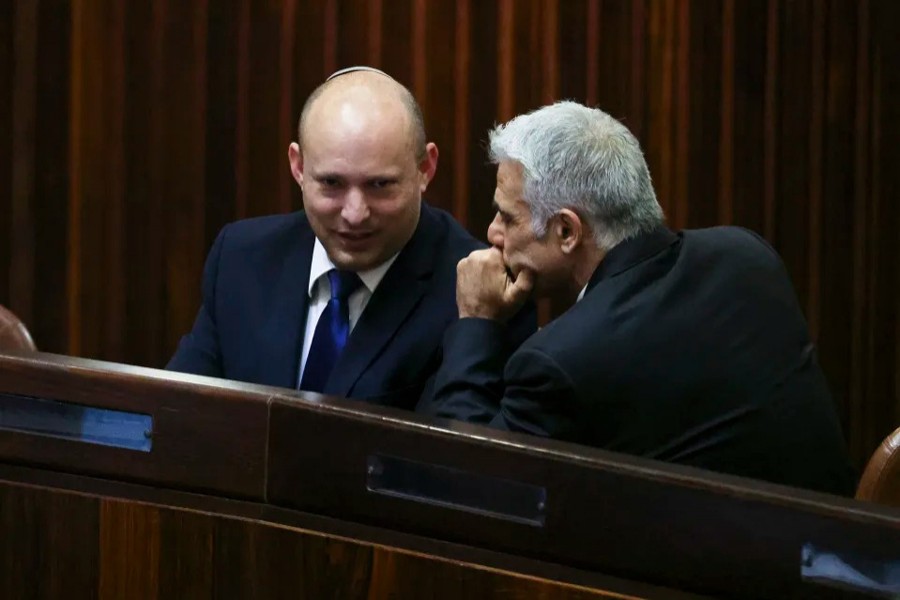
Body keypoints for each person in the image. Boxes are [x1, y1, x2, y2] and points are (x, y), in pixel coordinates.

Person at [426, 100, 855, 495]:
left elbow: (470, 482)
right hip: (835, 550)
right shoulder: (747, 256)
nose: (492, 234)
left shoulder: (562, 361)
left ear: (567, 231)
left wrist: (476, 322)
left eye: (507, 216)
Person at [167, 67, 535, 410]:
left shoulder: (483, 296)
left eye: (379, 185)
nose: (355, 213)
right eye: (331, 184)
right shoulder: (242, 257)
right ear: (298, 167)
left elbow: (460, 461)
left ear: (425, 169)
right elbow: (179, 415)